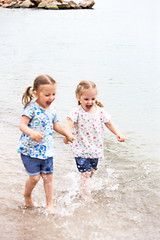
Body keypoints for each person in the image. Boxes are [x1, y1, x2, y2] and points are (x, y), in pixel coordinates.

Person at [18, 75, 74, 214]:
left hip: (47, 151)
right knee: (35, 177)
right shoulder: (31, 108)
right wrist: (31, 132)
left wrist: (67, 134)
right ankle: (27, 196)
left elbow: (57, 126)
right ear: (36, 94)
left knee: (48, 178)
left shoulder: (52, 110)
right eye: (47, 95)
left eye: (53, 94)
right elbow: (22, 125)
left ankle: (50, 205)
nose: (51, 98)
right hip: (29, 151)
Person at [64, 80, 126, 199]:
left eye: (92, 99)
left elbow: (108, 123)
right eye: (86, 99)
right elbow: (69, 123)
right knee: (86, 173)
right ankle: (87, 197)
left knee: (91, 171)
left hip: (95, 149)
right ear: (78, 97)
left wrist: (118, 133)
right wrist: (67, 134)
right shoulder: (76, 112)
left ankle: (81, 186)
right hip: (81, 149)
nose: (90, 102)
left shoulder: (100, 111)